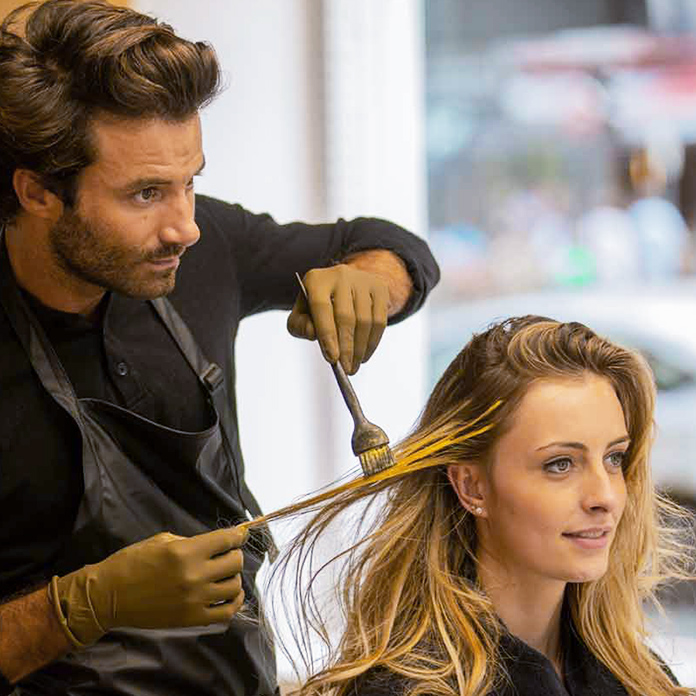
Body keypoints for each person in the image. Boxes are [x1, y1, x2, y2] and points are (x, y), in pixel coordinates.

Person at [0, 1, 440, 694]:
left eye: (191, 182)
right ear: (38, 192)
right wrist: (78, 608)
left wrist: (371, 283)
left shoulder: (202, 253)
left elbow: (395, 246)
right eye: (146, 193)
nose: (186, 227)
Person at [273, 316, 695, 696]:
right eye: (560, 464)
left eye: (614, 458)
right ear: (472, 487)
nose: (604, 496)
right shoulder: (404, 689)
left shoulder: (640, 677)